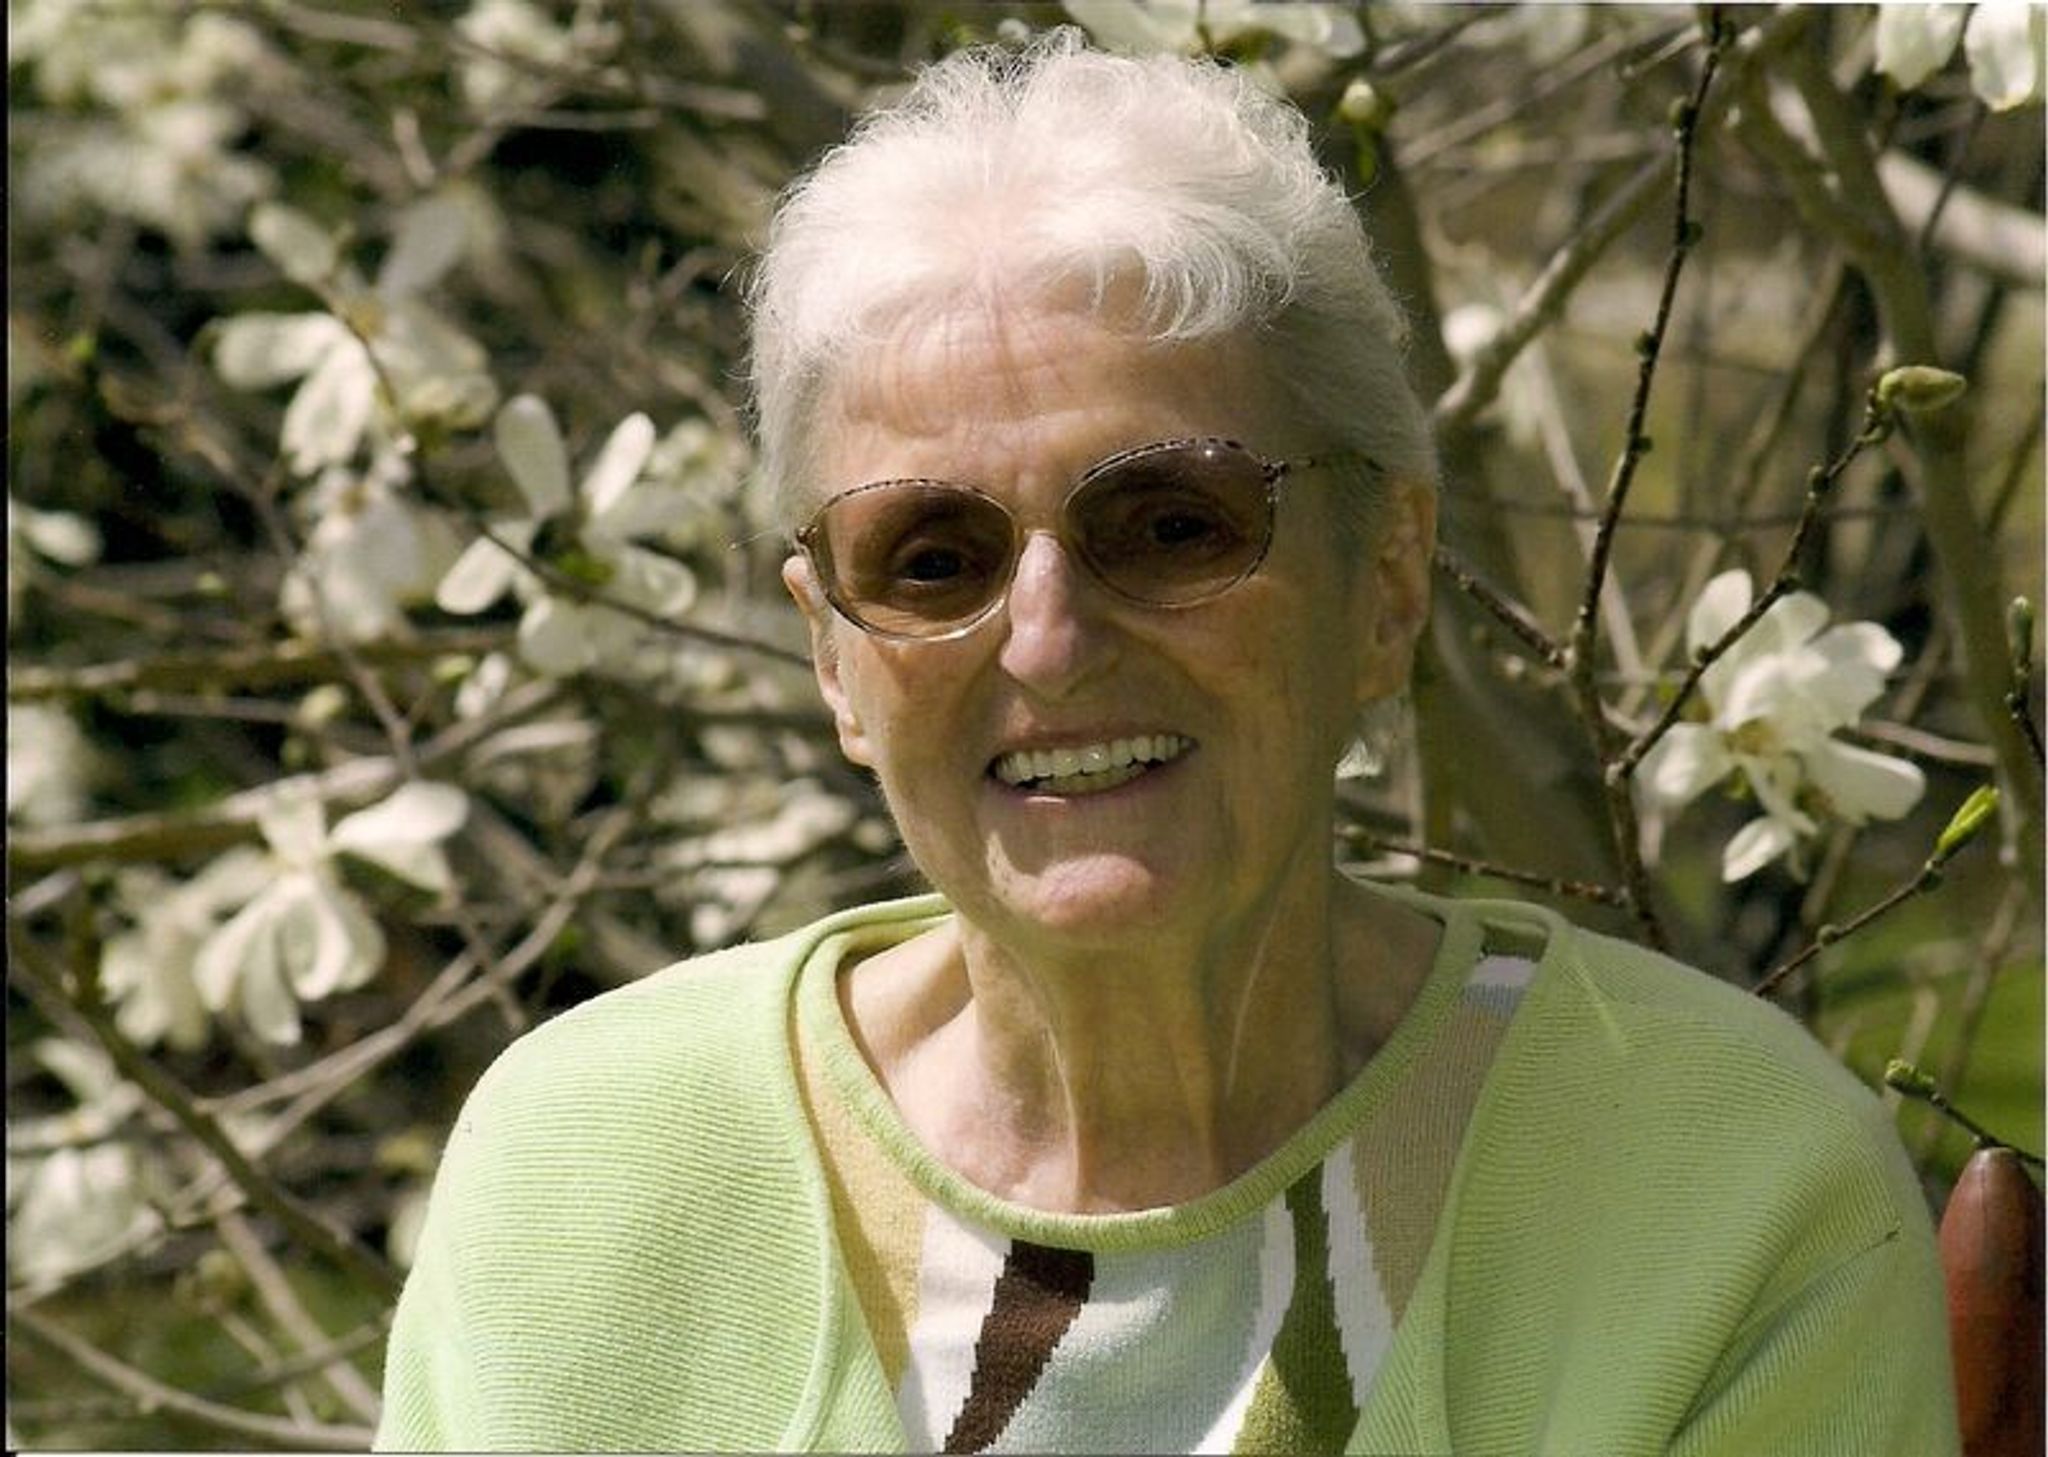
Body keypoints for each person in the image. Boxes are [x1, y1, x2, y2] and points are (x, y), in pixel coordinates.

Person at [375, 32, 1957, 1455]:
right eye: (932, 559)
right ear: (833, 657)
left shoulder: (1723, 1187)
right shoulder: (586, 1172)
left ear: (1387, 578)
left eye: (1172, 525)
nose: (1048, 639)